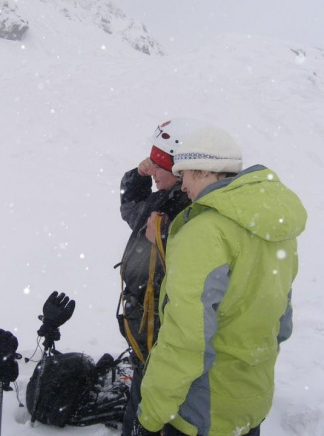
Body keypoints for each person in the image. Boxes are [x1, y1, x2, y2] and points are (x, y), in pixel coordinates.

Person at [132, 126, 308, 436]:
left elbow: (185, 340)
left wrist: (150, 416)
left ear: (201, 171)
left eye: (183, 174)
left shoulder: (204, 232)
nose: (182, 185)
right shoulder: (275, 229)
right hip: (250, 402)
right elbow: (282, 322)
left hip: (201, 412)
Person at [117, 119, 201, 436]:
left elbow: (196, 269)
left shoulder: (190, 210)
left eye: (158, 165)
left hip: (163, 335)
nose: (153, 171)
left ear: (180, 171)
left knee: (151, 406)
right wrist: (138, 177)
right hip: (144, 327)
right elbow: (130, 209)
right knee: (145, 394)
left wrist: (165, 237)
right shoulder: (158, 200)